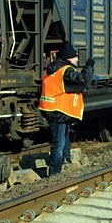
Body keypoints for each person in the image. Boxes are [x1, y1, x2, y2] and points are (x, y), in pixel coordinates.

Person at [38, 42, 94, 175]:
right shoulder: (66, 71)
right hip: (58, 111)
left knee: (63, 136)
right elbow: (84, 80)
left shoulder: (52, 69)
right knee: (58, 144)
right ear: (69, 58)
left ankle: (66, 160)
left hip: (53, 109)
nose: (77, 59)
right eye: (75, 57)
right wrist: (89, 66)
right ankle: (55, 173)